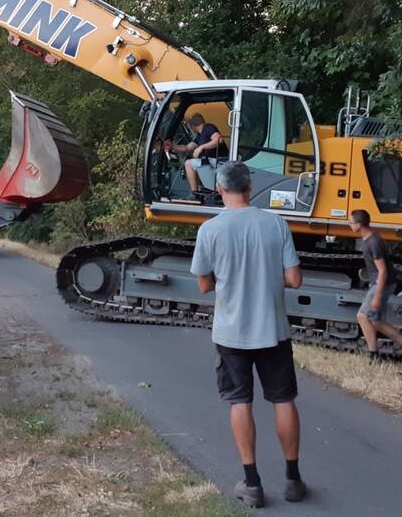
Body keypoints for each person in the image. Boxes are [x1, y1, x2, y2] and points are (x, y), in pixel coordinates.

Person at [190, 161, 307, 508]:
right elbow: (295, 279)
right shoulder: (276, 223)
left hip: (231, 334)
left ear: (220, 188)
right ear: (250, 185)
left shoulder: (210, 230)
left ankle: (252, 483)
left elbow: (203, 284)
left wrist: (224, 279)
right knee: (283, 400)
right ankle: (293, 480)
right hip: (273, 331)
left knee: (240, 402)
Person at [350, 209, 402, 363]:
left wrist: (376, 297)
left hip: (381, 283)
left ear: (359, 224)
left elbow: (382, 272)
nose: (349, 225)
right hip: (379, 283)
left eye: (351, 222)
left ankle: (374, 355)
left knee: (362, 316)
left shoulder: (372, 242)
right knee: (375, 321)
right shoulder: (371, 238)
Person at [169, 113, 227, 198]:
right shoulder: (200, 136)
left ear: (192, 125)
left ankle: (194, 193)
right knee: (194, 163)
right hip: (211, 162)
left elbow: (219, 139)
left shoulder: (208, 128)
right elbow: (186, 148)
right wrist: (171, 146)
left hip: (220, 162)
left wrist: (202, 147)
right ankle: (201, 190)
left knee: (188, 163)